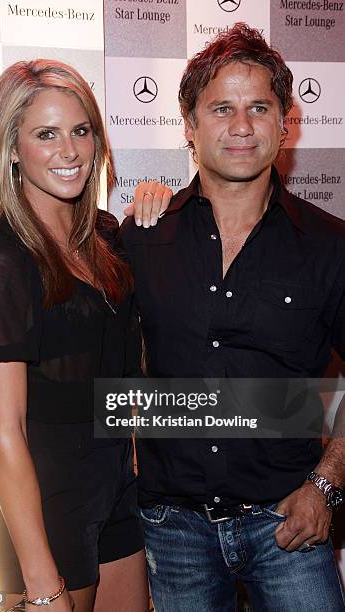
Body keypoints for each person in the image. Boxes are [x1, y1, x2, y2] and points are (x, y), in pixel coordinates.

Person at [120, 23, 345, 611]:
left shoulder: (330, 246)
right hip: (173, 531)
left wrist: (326, 485)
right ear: (190, 127)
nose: (241, 126)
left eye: (258, 107)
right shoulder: (142, 239)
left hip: (289, 524)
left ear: (284, 123)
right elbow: (108, 369)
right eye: (220, 108)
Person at [0, 59, 160, 612]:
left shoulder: (107, 240)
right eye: (46, 134)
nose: (69, 151)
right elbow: (4, 433)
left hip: (115, 486)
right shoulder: (1, 262)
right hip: (44, 504)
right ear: (12, 147)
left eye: (81, 130)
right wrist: (43, 584)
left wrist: (157, 202)